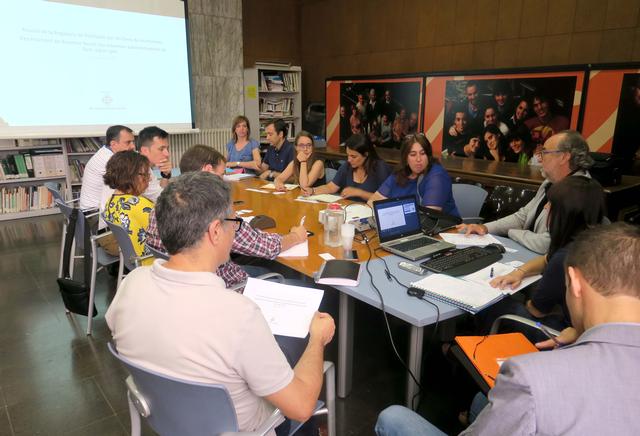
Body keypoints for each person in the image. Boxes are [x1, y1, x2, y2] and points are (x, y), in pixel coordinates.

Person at [106, 171, 336, 435]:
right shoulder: (239, 314)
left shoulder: (131, 284)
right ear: (216, 231)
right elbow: (301, 406)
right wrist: (317, 339)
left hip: (167, 417)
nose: (234, 229)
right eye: (233, 223)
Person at [374, 222, 640, 436]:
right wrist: (581, 333)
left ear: (575, 282)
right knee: (482, 402)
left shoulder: (531, 378)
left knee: (392, 417)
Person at [146, 145, 308, 288]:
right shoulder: (213, 210)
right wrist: (296, 236)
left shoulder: (163, 203)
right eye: (222, 174)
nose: (224, 180)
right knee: (303, 283)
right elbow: (267, 247)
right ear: (208, 170)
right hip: (229, 286)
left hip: (181, 286)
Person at [480, 176, 606, 336]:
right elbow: (546, 259)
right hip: (592, 329)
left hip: (563, 335)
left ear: (563, 214)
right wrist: (519, 272)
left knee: (494, 304)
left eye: (551, 204)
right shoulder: (597, 240)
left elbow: (537, 311)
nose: (546, 207)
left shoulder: (565, 258)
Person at [458, 130, 593, 254]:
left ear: (564, 157)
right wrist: (484, 228)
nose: (540, 158)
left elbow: (547, 244)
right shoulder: (550, 183)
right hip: (529, 252)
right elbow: (523, 216)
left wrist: (512, 233)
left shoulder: (578, 192)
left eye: (545, 152)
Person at [368, 134, 460, 217]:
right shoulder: (400, 173)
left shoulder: (437, 176)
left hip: (442, 228)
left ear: (428, 156)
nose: (418, 159)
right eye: (413, 154)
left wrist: (391, 214)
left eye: (423, 153)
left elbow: (428, 217)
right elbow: (372, 202)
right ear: (405, 158)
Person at [302, 133, 391, 202]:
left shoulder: (380, 168)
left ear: (366, 154)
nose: (349, 159)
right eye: (348, 155)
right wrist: (313, 191)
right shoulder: (348, 166)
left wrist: (359, 193)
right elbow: (331, 187)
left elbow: (387, 199)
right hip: (350, 211)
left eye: (353, 156)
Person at [103, 151, 154, 263]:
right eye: (145, 174)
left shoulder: (111, 201)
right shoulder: (139, 205)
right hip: (150, 262)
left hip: (132, 262)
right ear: (129, 176)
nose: (149, 179)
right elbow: (169, 235)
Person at [79, 125, 135, 211]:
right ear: (113, 144)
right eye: (128, 142)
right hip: (95, 213)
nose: (133, 146)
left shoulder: (105, 152)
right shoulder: (111, 161)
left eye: (133, 142)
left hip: (90, 210)